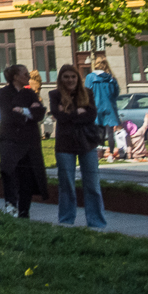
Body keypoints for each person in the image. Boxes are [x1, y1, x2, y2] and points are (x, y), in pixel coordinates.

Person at [49, 65, 107, 229]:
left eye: (73, 77)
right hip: (64, 144)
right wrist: (77, 112)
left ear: (78, 78)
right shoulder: (54, 95)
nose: (70, 80)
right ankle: (66, 221)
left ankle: (96, 222)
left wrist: (69, 114)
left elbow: (91, 115)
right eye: (66, 77)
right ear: (61, 79)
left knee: (92, 184)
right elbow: (58, 116)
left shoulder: (87, 93)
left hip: (87, 143)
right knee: (66, 184)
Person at [0, 64, 48, 218]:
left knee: (27, 177)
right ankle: (11, 206)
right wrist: (29, 113)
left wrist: (22, 110)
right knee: (10, 172)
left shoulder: (30, 93)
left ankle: (24, 210)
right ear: (15, 76)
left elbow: (39, 114)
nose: (28, 76)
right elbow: (8, 116)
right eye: (25, 74)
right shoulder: (4, 94)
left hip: (29, 141)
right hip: (10, 140)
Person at [86, 55, 122, 159]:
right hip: (109, 107)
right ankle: (111, 153)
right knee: (110, 131)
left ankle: (99, 153)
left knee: (99, 130)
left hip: (96, 106)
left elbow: (87, 93)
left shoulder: (90, 77)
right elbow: (116, 93)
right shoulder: (111, 78)